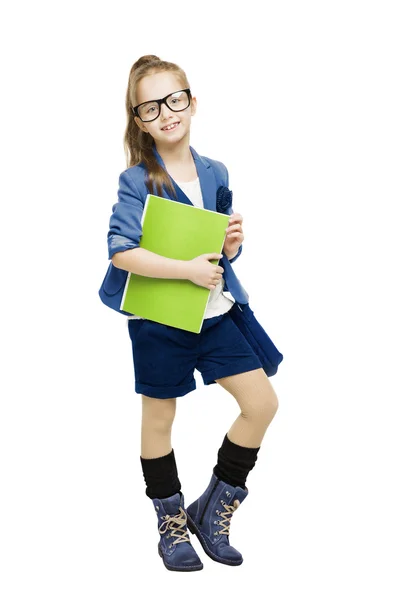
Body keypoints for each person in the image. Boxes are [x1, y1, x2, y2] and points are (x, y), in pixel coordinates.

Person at [99, 55, 279, 572]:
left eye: (174, 99)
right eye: (150, 106)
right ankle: (171, 521)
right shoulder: (137, 179)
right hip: (159, 318)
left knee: (261, 403)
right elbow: (120, 251)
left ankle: (214, 506)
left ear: (192, 102)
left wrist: (232, 245)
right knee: (159, 417)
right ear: (139, 120)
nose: (166, 112)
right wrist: (184, 269)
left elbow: (215, 258)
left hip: (215, 313)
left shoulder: (216, 171)